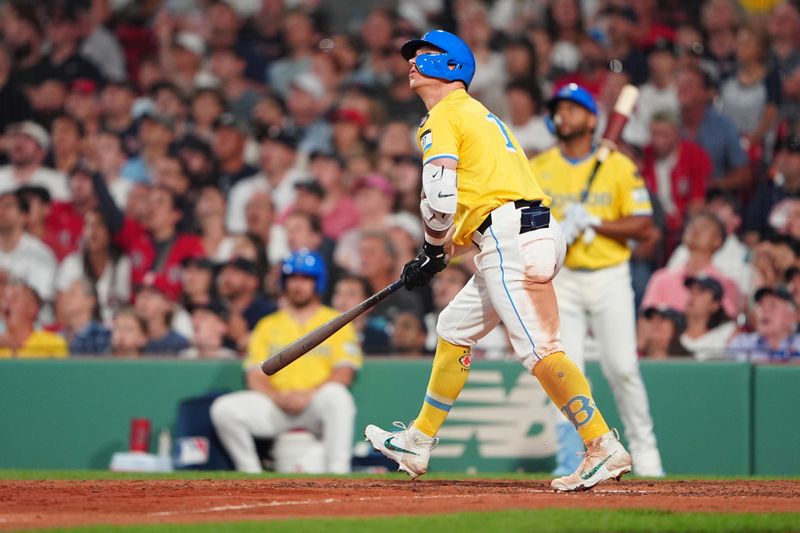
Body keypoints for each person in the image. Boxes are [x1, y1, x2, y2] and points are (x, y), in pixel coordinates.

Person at [364, 30, 632, 493]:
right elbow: (481, 202)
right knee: (453, 328)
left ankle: (600, 444)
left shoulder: (444, 114)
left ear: (452, 67)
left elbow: (441, 195)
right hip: (514, 233)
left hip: (511, 236)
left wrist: (431, 246)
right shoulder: (477, 115)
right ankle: (419, 439)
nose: (412, 62)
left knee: (539, 349)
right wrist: (440, 252)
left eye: (424, 56)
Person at [529, 84, 664, 478]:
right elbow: (524, 220)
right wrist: (555, 228)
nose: (562, 115)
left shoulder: (618, 165)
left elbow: (643, 224)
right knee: (567, 370)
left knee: (622, 367)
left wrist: (597, 224)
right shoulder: (540, 168)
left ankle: (648, 455)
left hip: (609, 275)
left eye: (571, 109)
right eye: (557, 109)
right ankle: (574, 455)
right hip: (563, 278)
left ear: (592, 119)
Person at [211, 250, 362, 474]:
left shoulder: (336, 321)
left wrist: (308, 395)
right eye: (292, 278)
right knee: (223, 410)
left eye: (305, 278)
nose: (298, 285)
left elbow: (344, 373)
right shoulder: (267, 325)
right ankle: (250, 474)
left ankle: (338, 471)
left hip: (315, 404)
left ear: (317, 282)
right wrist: (276, 396)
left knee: (338, 397)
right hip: (276, 406)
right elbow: (254, 376)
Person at [727, 286, 800, 361]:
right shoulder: (740, 344)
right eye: (760, 305)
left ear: (793, 316)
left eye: (772, 306)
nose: (763, 310)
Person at [0, 280, 67, 358]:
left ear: (33, 308)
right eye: (4, 298)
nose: (6, 304)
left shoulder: (53, 344)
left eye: (15, 298)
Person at [679, 275, 737, 360]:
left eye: (700, 292)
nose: (692, 296)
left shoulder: (727, 333)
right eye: (690, 291)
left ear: (714, 305)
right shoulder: (673, 334)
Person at [57, 278, 111, 356]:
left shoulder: (101, 335)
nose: (65, 298)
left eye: (72, 293)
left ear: (90, 300)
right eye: (66, 294)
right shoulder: (59, 335)